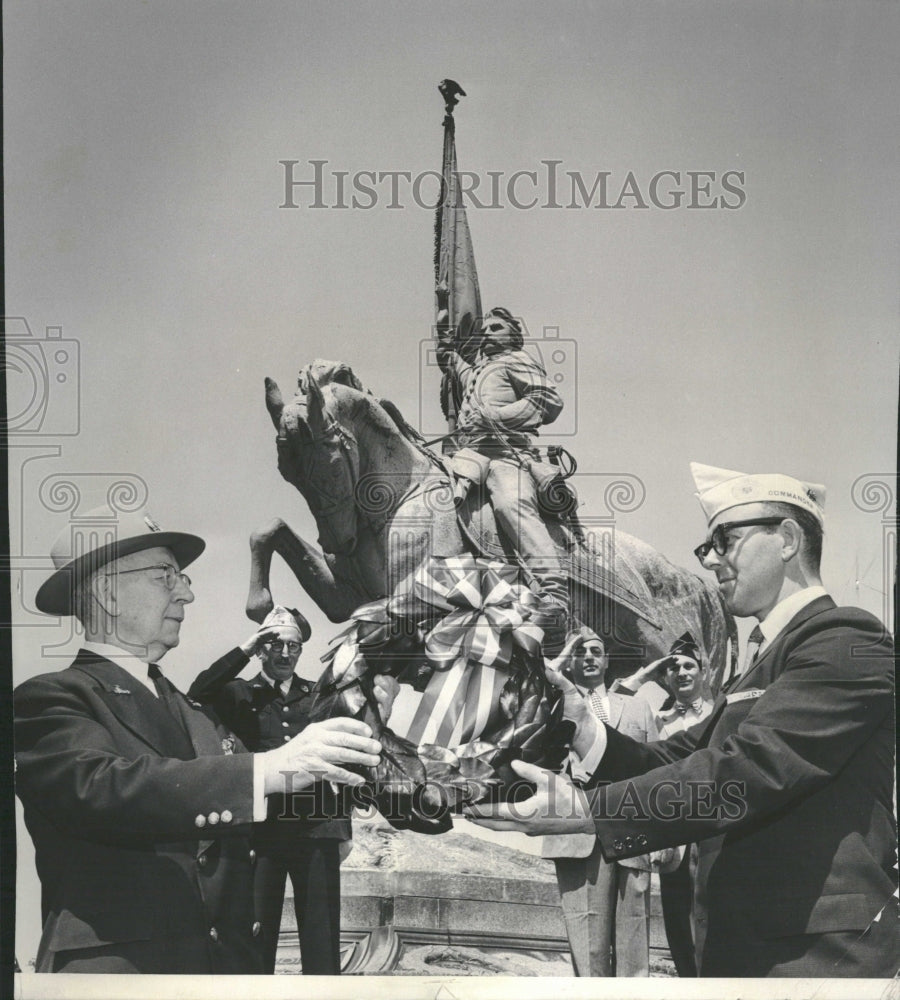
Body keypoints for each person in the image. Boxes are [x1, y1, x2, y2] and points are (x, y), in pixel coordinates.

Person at [467, 463, 899, 978]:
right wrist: (583, 724)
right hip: (744, 948)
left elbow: (746, 773)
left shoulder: (846, 640)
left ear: (786, 539)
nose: (712, 559)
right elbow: (679, 758)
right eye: (707, 546)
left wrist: (586, 810)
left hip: (819, 956)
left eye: (725, 540)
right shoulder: (762, 664)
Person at [14, 507, 382, 974]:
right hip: (122, 971)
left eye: (182, 577)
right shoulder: (52, 697)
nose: (187, 593)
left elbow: (265, 784)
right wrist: (267, 768)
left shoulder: (190, 711)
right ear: (108, 594)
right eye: (166, 575)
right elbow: (101, 786)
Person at [188, 606, 398, 974]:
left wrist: (343, 828)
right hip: (261, 830)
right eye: (275, 645)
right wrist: (245, 648)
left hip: (316, 827)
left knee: (322, 938)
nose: (285, 654)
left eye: (294, 646)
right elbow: (197, 693)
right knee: (257, 936)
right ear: (262, 649)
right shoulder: (238, 694)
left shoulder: (317, 695)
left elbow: (345, 757)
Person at [436, 305, 569, 642]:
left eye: (497, 327)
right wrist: (447, 339)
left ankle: (554, 593)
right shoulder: (480, 370)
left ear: (514, 335)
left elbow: (547, 401)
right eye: (487, 328)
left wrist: (495, 416)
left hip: (505, 456)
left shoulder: (518, 360)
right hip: (468, 457)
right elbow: (456, 367)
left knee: (512, 504)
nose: (488, 332)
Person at [541, 627, 659, 976]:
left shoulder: (637, 707)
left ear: (607, 661)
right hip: (578, 828)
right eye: (580, 651)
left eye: (595, 650)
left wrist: (665, 831)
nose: (588, 656)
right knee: (588, 941)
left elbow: (657, 768)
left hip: (632, 828)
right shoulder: (552, 704)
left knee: (633, 932)